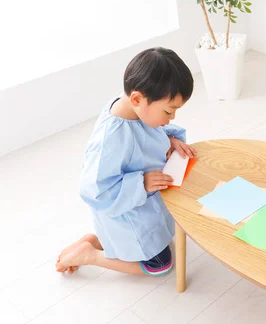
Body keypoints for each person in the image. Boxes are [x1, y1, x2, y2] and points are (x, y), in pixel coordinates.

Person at [56, 47, 197, 275]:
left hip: (143, 204)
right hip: (128, 213)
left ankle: (97, 239)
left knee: (164, 237)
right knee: (161, 266)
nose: (172, 118)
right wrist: (140, 183)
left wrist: (169, 138)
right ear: (137, 99)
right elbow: (96, 191)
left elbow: (146, 132)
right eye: (169, 112)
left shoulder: (132, 108)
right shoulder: (112, 138)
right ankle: (91, 255)